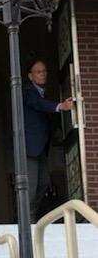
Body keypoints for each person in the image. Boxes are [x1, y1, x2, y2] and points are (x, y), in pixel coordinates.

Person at [22, 58, 73, 222]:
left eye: (44, 71)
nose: (43, 74)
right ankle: (26, 224)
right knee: (30, 189)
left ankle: (32, 219)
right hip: (29, 149)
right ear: (30, 76)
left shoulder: (41, 93)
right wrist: (60, 106)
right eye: (38, 71)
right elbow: (38, 104)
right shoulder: (28, 91)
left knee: (43, 184)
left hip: (41, 149)